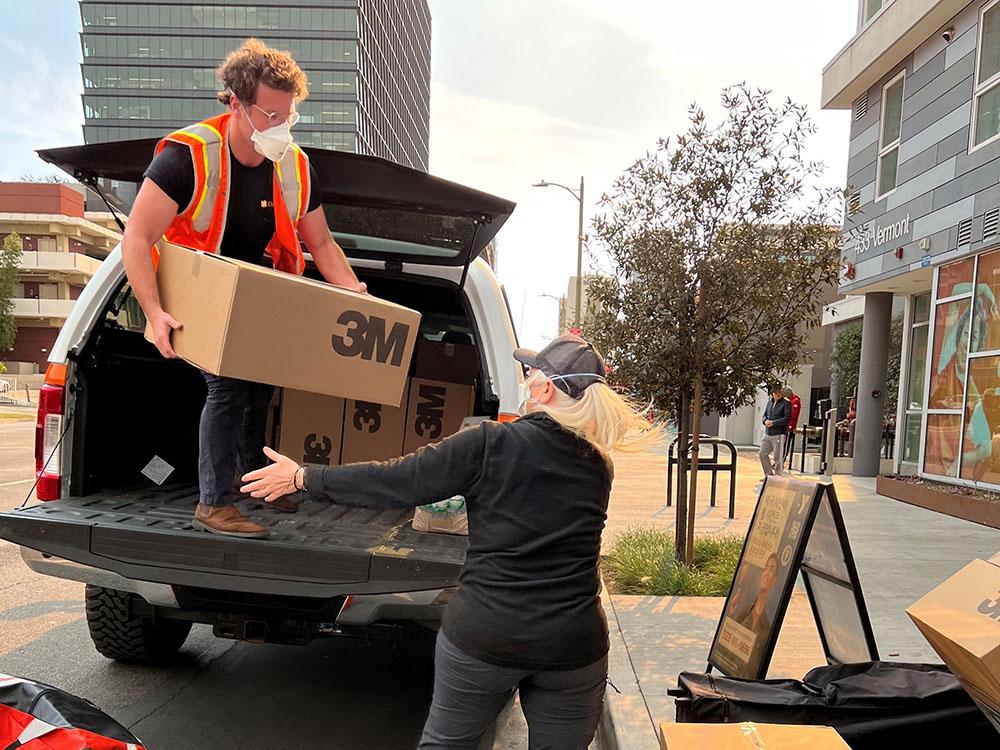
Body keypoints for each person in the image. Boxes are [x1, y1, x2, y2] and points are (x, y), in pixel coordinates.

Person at [240, 335, 662, 749]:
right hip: (573, 644)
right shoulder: (598, 465)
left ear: (546, 388)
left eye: (530, 372)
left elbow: (398, 480)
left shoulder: (491, 443)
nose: (526, 379)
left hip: (487, 633)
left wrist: (303, 478)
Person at [121, 39, 365, 539]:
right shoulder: (186, 157)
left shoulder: (295, 166)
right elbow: (138, 238)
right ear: (236, 103)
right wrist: (154, 311)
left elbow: (320, 243)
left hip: (258, 290)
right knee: (228, 386)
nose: (281, 126)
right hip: (198, 286)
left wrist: (353, 295)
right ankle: (214, 504)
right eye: (270, 114)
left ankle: (254, 487)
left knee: (259, 388)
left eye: (288, 116)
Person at [759, 387, 791, 479]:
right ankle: (768, 475)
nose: (778, 394)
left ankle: (778, 476)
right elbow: (764, 415)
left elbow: (787, 418)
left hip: (779, 434)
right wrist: (765, 421)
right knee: (762, 454)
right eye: (776, 392)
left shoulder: (786, 403)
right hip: (767, 433)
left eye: (780, 392)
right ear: (772, 393)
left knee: (777, 457)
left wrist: (773, 423)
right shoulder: (769, 403)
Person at [782, 386, 801, 470]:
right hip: (784, 426)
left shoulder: (795, 401)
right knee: (782, 444)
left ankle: (782, 460)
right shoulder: (790, 401)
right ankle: (779, 460)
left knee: (786, 445)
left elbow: (792, 415)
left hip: (789, 427)